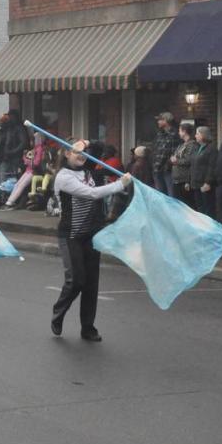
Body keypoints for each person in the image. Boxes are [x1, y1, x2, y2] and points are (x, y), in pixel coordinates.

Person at [50, 140, 131, 341]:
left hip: (92, 235)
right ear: (66, 154)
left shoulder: (90, 172)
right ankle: (58, 313)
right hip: (71, 235)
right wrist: (119, 184)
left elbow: (101, 148)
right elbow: (92, 194)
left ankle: (88, 327)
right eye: (76, 152)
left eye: (84, 152)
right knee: (76, 280)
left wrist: (85, 142)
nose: (81, 155)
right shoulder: (63, 177)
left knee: (91, 284)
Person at [2, 133, 45, 211]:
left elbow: (36, 163)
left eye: (33, 140)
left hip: (34, 171)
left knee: (21, 185)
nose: (31, 142)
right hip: (28, 170)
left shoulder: (39, 149)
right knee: (17, 184)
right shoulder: (35, 149)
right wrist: (26, 158)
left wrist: (27, 160)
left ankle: (10, 203)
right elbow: (28, 161)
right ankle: (9, 202)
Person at [190, 126, 218, 219]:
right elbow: (193, 164)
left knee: (208, 209)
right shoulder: (197, 147)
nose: (195, 136)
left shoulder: (211, 149)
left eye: (197, 133)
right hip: (195, 183)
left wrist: (208, 182)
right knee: (199, 209)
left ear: (203, 135)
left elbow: (212, 166)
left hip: (204, 184)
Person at [0, 109, 28, 184]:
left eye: (11, 117)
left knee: (6, 178)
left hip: (13, 158)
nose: (10, 118)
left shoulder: (19, 128)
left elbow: (23, 143)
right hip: (2, 157)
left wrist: (12, 152)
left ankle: (4, 193)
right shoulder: (6, 129)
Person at [152, 112, 181, 197]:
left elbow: (175, 152)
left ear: (166, 121)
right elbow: (156, 150)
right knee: (160, 196)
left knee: (171, 196)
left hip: (168, 171)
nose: (158, 122)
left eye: (160, 120)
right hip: (157, 170)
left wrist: (167, 165)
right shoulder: (159, 134)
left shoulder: (175, 134)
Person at [170, 123, 198, 208]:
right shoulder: (181, 145)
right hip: (177, 179)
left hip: (184, 180)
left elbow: (189, 160)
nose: (178, 133)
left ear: (184, 131)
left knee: (187, 205)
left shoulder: (192, 145)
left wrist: (176, 161)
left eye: (179, 130)